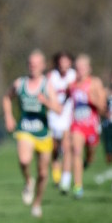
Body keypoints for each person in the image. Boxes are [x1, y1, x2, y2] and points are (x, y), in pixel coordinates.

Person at [3, 49, 62, 218]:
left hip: (43, 132)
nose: (33, 66)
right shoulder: (19, 83)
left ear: (43, 66)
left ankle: (37, 203)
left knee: (43, 173)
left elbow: (58, 109)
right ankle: (28, 180)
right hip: (25, 129)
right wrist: (9, 116)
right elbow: (6, 97)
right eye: (30, 63)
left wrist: (46, 102)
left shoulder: (47, 85)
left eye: (36, 64)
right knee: (24, 160)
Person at [67, 54, 107, 199]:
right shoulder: (72, 85)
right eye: (77, 68)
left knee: (90, 155)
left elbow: (103, 107)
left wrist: (92, 99)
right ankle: (78, 186)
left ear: (89, 69)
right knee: (76, 151)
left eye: (82, 68)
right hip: (77, 125)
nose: (80, 71)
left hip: (92, 126)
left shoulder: (95, 83)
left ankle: (87, 161)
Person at [47, 51, 76, 192]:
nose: (63, 64)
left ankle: (65, 179)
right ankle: (56, 174)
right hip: (53, 115)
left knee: (66, 147)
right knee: (54, 148)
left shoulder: (73, 75)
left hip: (67, 115)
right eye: (61, 62)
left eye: (66, 61)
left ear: (70, 63)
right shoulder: (51, 76)